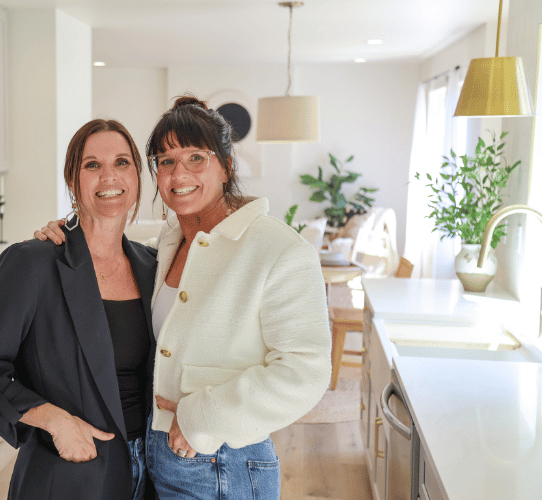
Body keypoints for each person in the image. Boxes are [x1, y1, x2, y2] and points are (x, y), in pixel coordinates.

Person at [37, 96, 332, 499]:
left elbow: (306, 373)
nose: (180, 174)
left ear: (227, 166)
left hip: (223, 463)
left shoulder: (278, 249)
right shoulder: (171, 242)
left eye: (196, 157)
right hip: (157, 457)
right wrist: (67, 232)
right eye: (166, 160)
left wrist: (201, 419)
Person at [0, 119, 158, 499]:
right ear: (72, 180)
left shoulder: (154, 268)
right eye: (92, 165)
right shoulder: (32, 263)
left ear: (137, 176)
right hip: (70, 475)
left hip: (154, 479)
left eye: (121, 162)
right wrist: (54, 421)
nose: (108, 176)